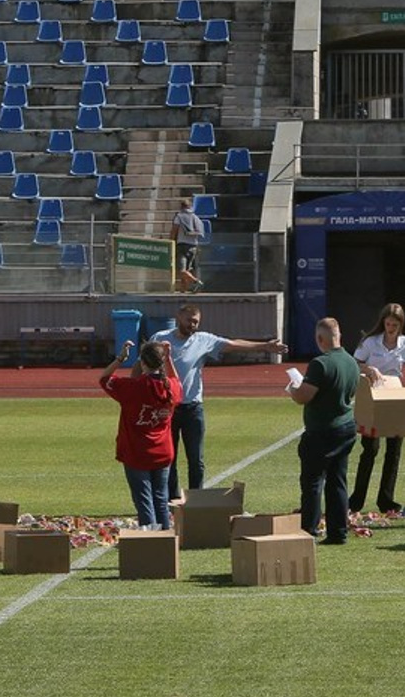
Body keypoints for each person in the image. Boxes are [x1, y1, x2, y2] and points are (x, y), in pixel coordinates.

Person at [150, 303, 287, 503]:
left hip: (192, 407)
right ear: (179, 317)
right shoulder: (160, 338)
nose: (192, 325)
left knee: (196, 459)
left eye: (196, 322)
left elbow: (233, 344)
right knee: (169, 456)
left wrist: (265, 346)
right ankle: (171, 498)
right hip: (166, 407)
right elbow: (146, 365)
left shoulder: (203, 340)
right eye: (189, 320)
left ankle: (196, 499)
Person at [287, 316, 362, 544]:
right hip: (345, 426)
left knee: (312, 483)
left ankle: (309, 529)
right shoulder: (351, 361)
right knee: (338, 481)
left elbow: (303, 396)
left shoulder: (320, 363)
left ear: (320, 339)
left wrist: (293, 389)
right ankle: (338, 532)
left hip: (322, 430)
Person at [350, 302, 405, 516]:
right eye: (388, 323)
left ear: (401, 325)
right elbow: (354, 363)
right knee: (370, 450)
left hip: (396, 398)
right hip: (373, 398)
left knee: (393, 452)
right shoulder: (371, 342)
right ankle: (356, 500)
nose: (391, 327)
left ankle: (386, 500)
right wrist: (369, 368)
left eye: (395, 324)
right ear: (383, 322)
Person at [101, 339, 182, 530]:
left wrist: (121, 358)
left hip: (137, 451)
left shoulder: (132, 387)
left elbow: (104, 378)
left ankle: (150, 541)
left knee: (144, 500)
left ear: (143, 362)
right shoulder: (170, 387)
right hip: (163, 451)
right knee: (161, 498)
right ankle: (164, 541)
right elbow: (177, 381)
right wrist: (168, 359)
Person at [170, 196, 207, 293]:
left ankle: (196, 282)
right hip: (193, 246)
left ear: (181, 207)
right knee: (186, 270)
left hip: (182, 245)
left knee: (181, 270)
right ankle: (183, 290)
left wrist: (171, 241)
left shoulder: (179, 216)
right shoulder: (196, 218)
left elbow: (174, 230)